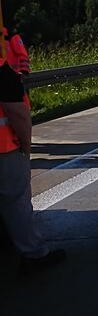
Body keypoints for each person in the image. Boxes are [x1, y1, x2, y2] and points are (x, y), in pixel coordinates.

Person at [0, 59, 64, 274]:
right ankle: (33, 254)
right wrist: (26, 146)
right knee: (16, 201)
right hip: (5, 149)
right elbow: (17, 113)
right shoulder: (3, 72)